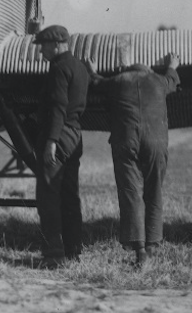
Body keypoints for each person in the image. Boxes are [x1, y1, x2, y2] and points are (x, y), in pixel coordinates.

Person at [87, 48, 180, 265]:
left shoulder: (119, 80)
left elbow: (97, 83)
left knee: (131, 193)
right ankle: (152, 245)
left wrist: (93, 70)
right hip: (156, 143)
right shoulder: (158, 81)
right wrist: (172, 66)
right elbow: (171, 80)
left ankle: (140, 253)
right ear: (147, 68)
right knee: (154, 191)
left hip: (126, 142)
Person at [29, 24, 90, 267]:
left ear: (56, 45)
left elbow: (57, 107)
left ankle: (53, 255)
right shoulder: (80, 68)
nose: (41, 51)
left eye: (43, 46)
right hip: (75, 136)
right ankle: (74, 251)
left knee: (48, 196)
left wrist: (51, 141)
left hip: (59, 136)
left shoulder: (58, 68)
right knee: (69, 196)